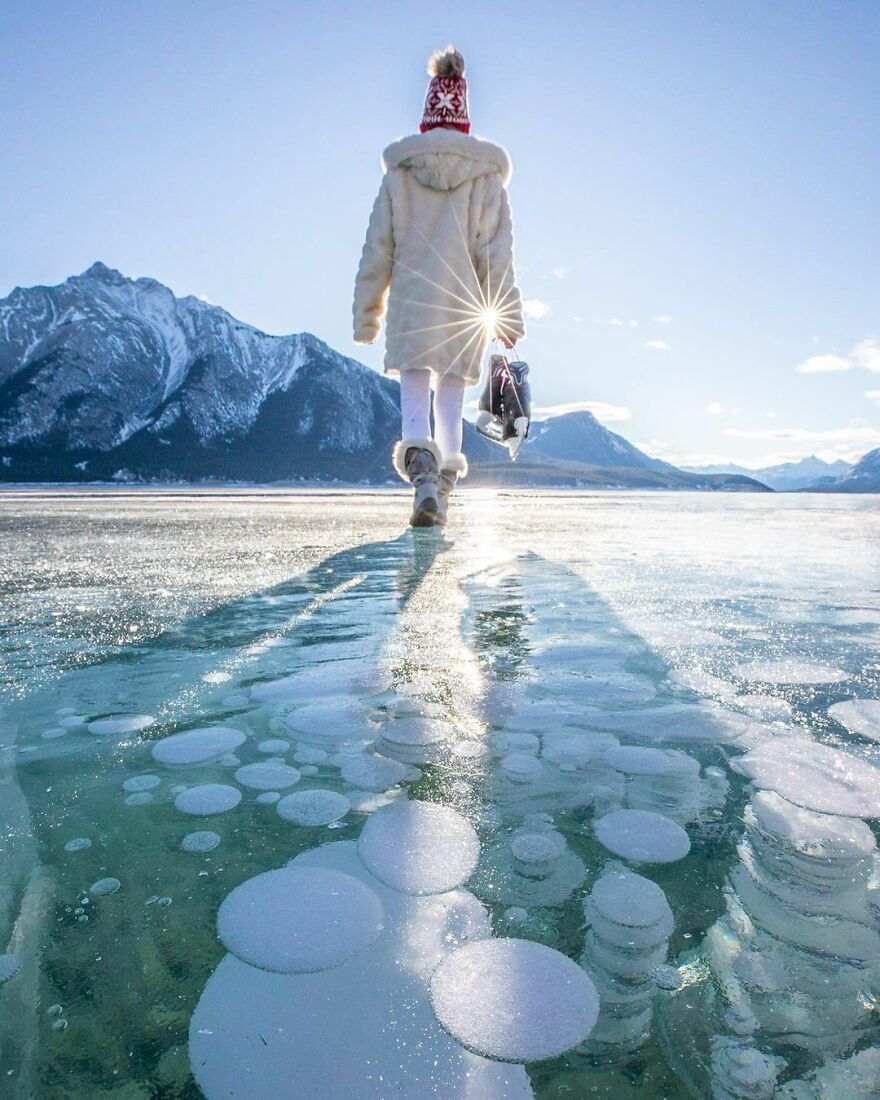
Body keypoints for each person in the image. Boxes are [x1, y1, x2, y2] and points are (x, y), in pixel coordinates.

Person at [353, 45, 525, 527]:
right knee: (450, 404)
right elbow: (496, 256)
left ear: (427, 116)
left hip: (411, 306)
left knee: (414, 401)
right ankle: (442, 493)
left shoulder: (400, 177)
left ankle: (423, 483)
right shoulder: (486, 181)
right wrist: (507, 316)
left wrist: (367, 315)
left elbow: (377, 249)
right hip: (462, 312)